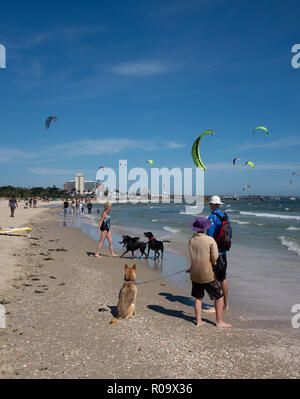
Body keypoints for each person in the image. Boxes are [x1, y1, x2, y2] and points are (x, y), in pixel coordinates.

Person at [187, 217, 231, 328]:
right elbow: (215, 256)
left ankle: (198, 321)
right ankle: (219, 322)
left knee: (198, 297)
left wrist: (192, 267)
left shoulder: (191, 239)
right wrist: (213, 261)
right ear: (206, 228)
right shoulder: (210, 240)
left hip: (194, 273)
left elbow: (193, 256)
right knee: (219, 297)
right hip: (207, 274)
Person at [206, 195, 232, 312]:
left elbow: (209, 237)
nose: (210, 205)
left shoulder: (212, 217)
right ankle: (226, 304)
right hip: (223, 252)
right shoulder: (225, 216)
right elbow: (230, 234)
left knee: (214, 279)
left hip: (215, 253)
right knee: (223, 278)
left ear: (213, 204)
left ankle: (217, 306)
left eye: (210, 203)